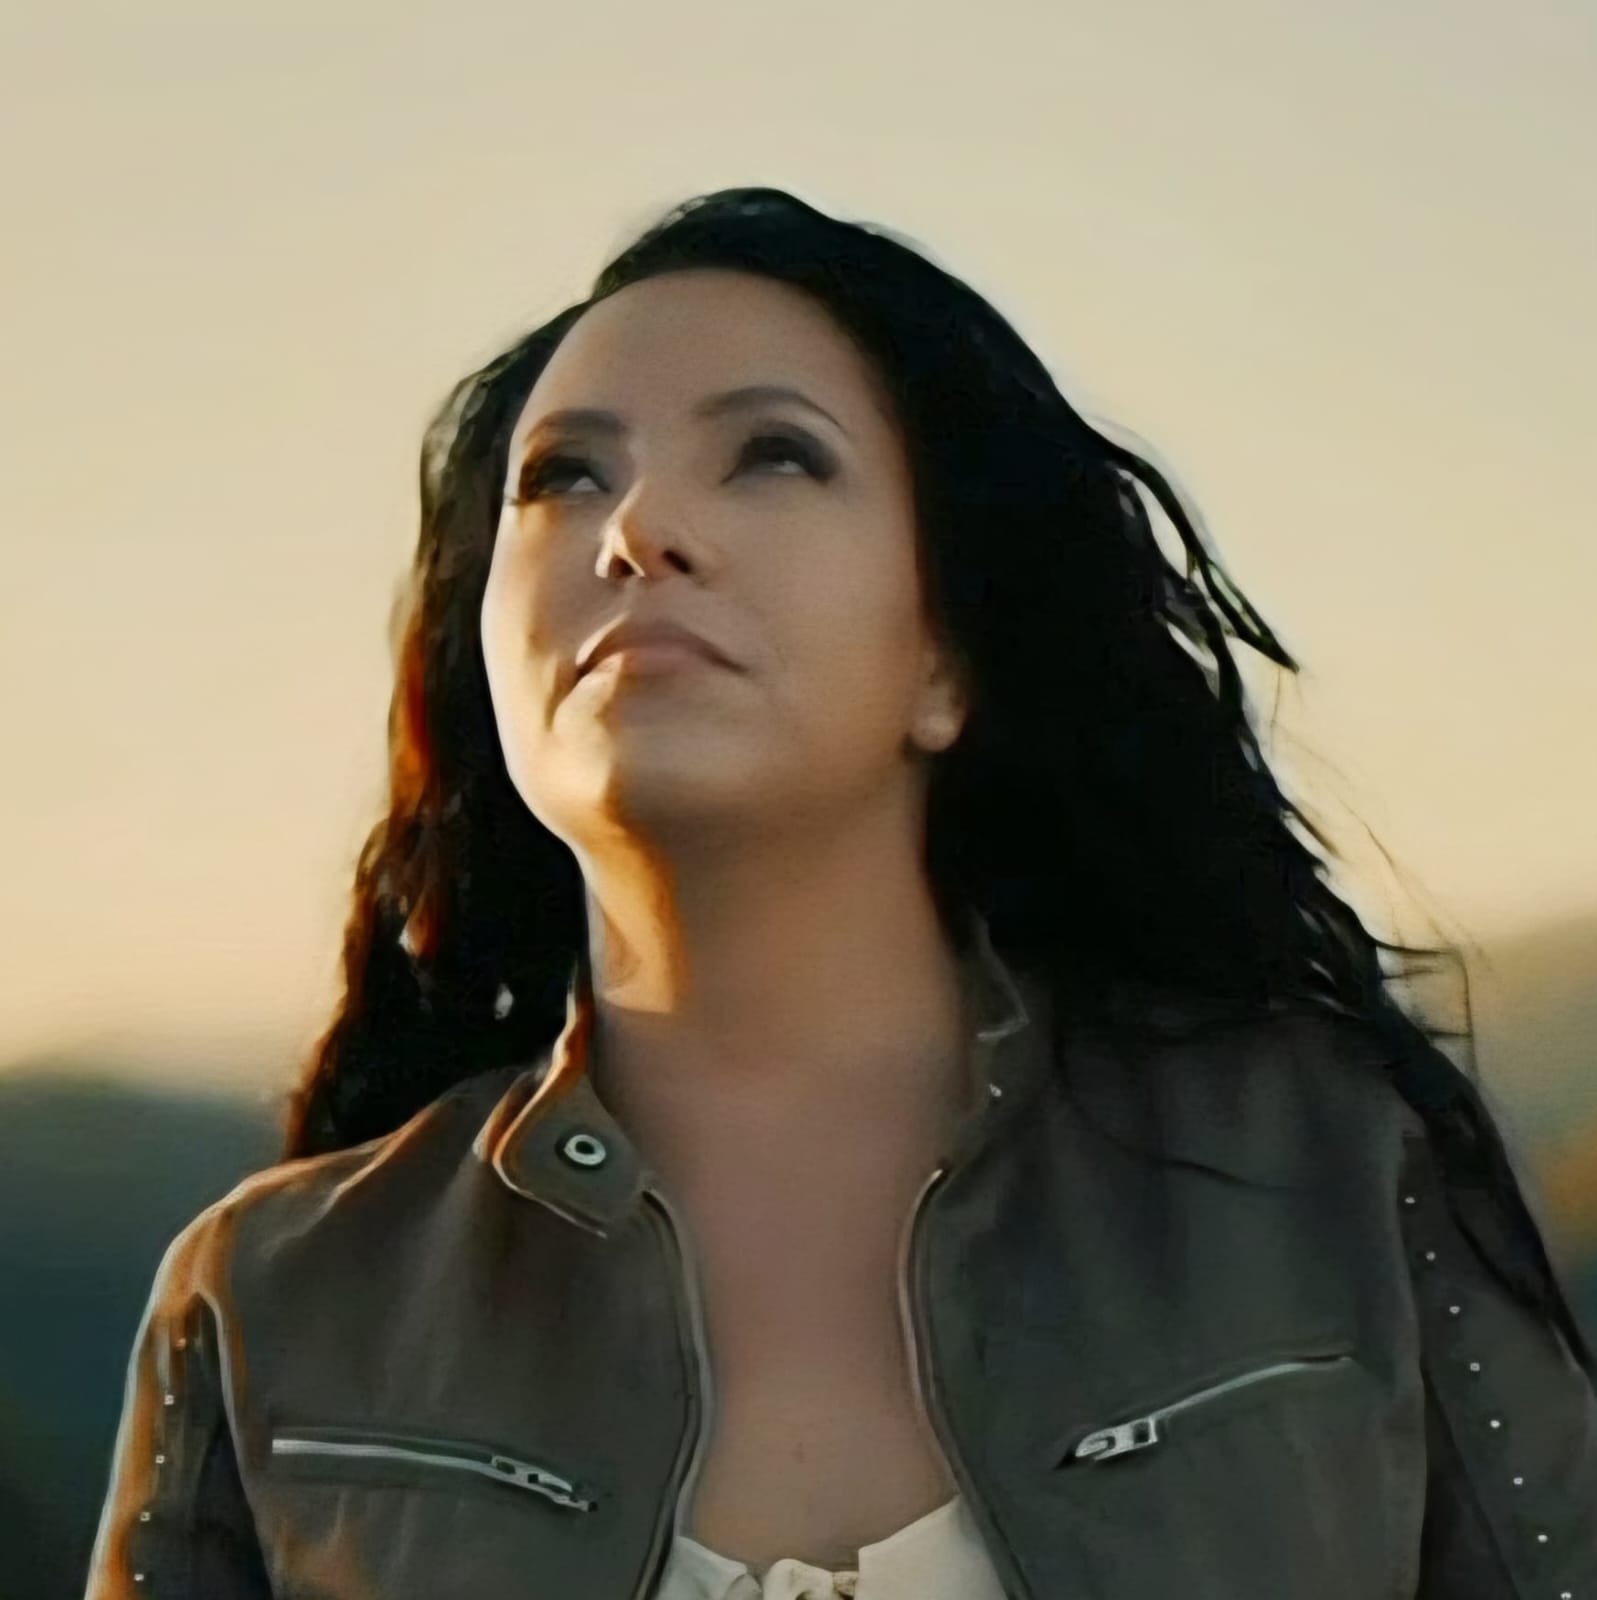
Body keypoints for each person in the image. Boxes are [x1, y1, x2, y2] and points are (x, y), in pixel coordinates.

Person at [84, 186, 1596, 1600]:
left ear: (947, 658)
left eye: (772, 454)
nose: (637, 531)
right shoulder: (268, 1302)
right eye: (564, 477)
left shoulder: (1328, 1173)